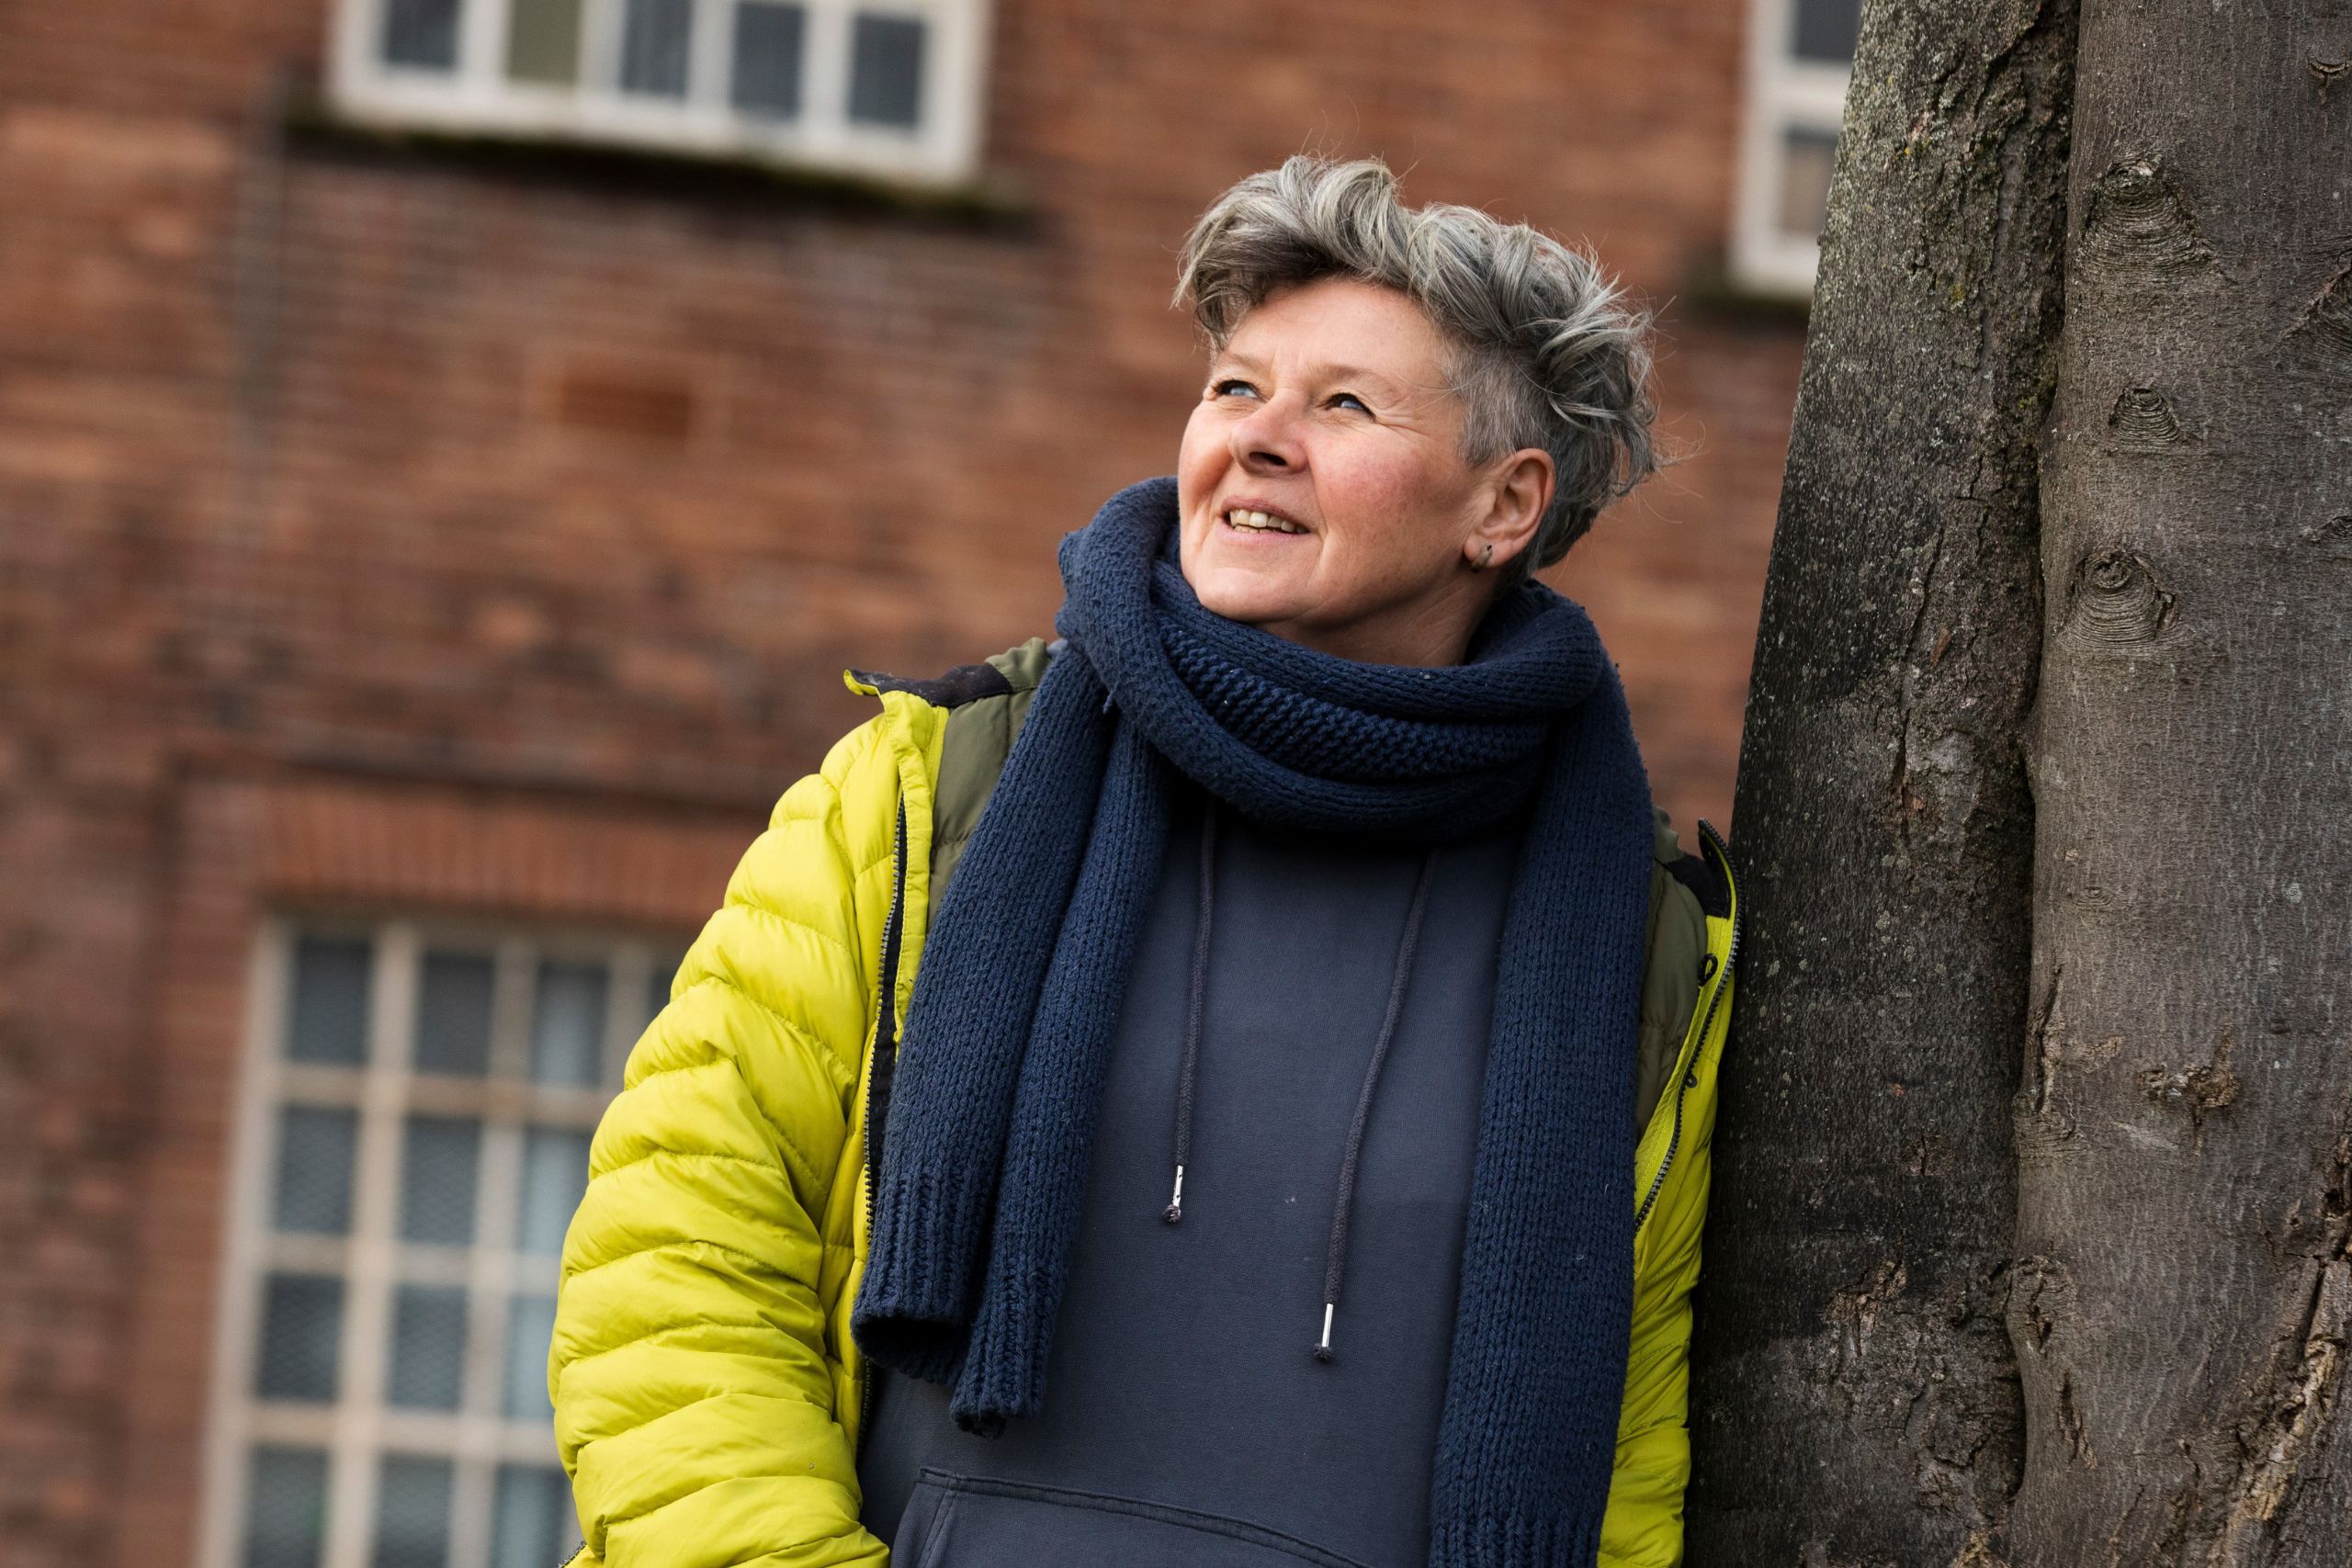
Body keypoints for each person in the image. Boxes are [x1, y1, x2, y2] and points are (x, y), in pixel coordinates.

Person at [548, 155, 1739, 1568]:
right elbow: (674, 1269)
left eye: (1342, 404)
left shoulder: (1643, 946)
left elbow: (1628, 1470)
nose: (1258, 438)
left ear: (1505, 506)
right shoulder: (931, 797)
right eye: (1235, 389)